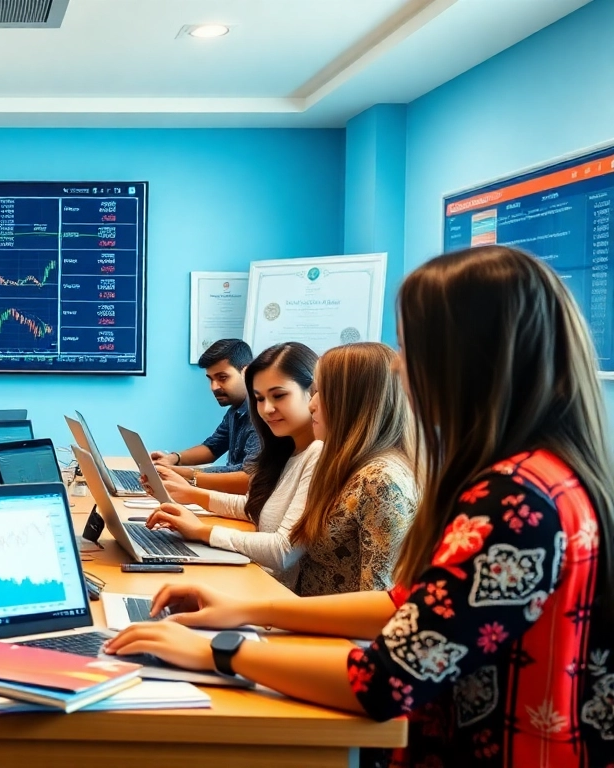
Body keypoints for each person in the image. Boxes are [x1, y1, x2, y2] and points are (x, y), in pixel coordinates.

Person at [106, 246, 614, 767]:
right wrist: (243, 608)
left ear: (467, 358)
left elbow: (387, 682)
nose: (397, 363)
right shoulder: (542, 477)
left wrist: (220, 652)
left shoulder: (514, 500)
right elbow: (408, 603)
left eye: (409, 344)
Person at [147, 342, 322, 588]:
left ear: (313, 392)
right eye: (259, 399)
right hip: (257, 580)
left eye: (279, 395)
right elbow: (259, 505)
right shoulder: (286, 448)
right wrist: (190, 494)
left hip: (271, 592)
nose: (266, 409)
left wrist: (201, 531)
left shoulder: (317, 453)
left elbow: (283, 551)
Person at [293, 342, 417, 597]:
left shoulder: (380, 481)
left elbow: (377, 597)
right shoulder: (352, 465)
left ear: (355, 402)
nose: (311, 405)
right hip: (311, 624)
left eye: (322, 393)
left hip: (337, 634)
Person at [150, 339, 257, 495]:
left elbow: (248, 476)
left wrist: (179, 473)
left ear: (246, 373)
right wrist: (173, 458)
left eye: (222, 377)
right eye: (211, 379)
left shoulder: (262, 416)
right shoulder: (235, 410)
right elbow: (212, 447)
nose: (214, 387)